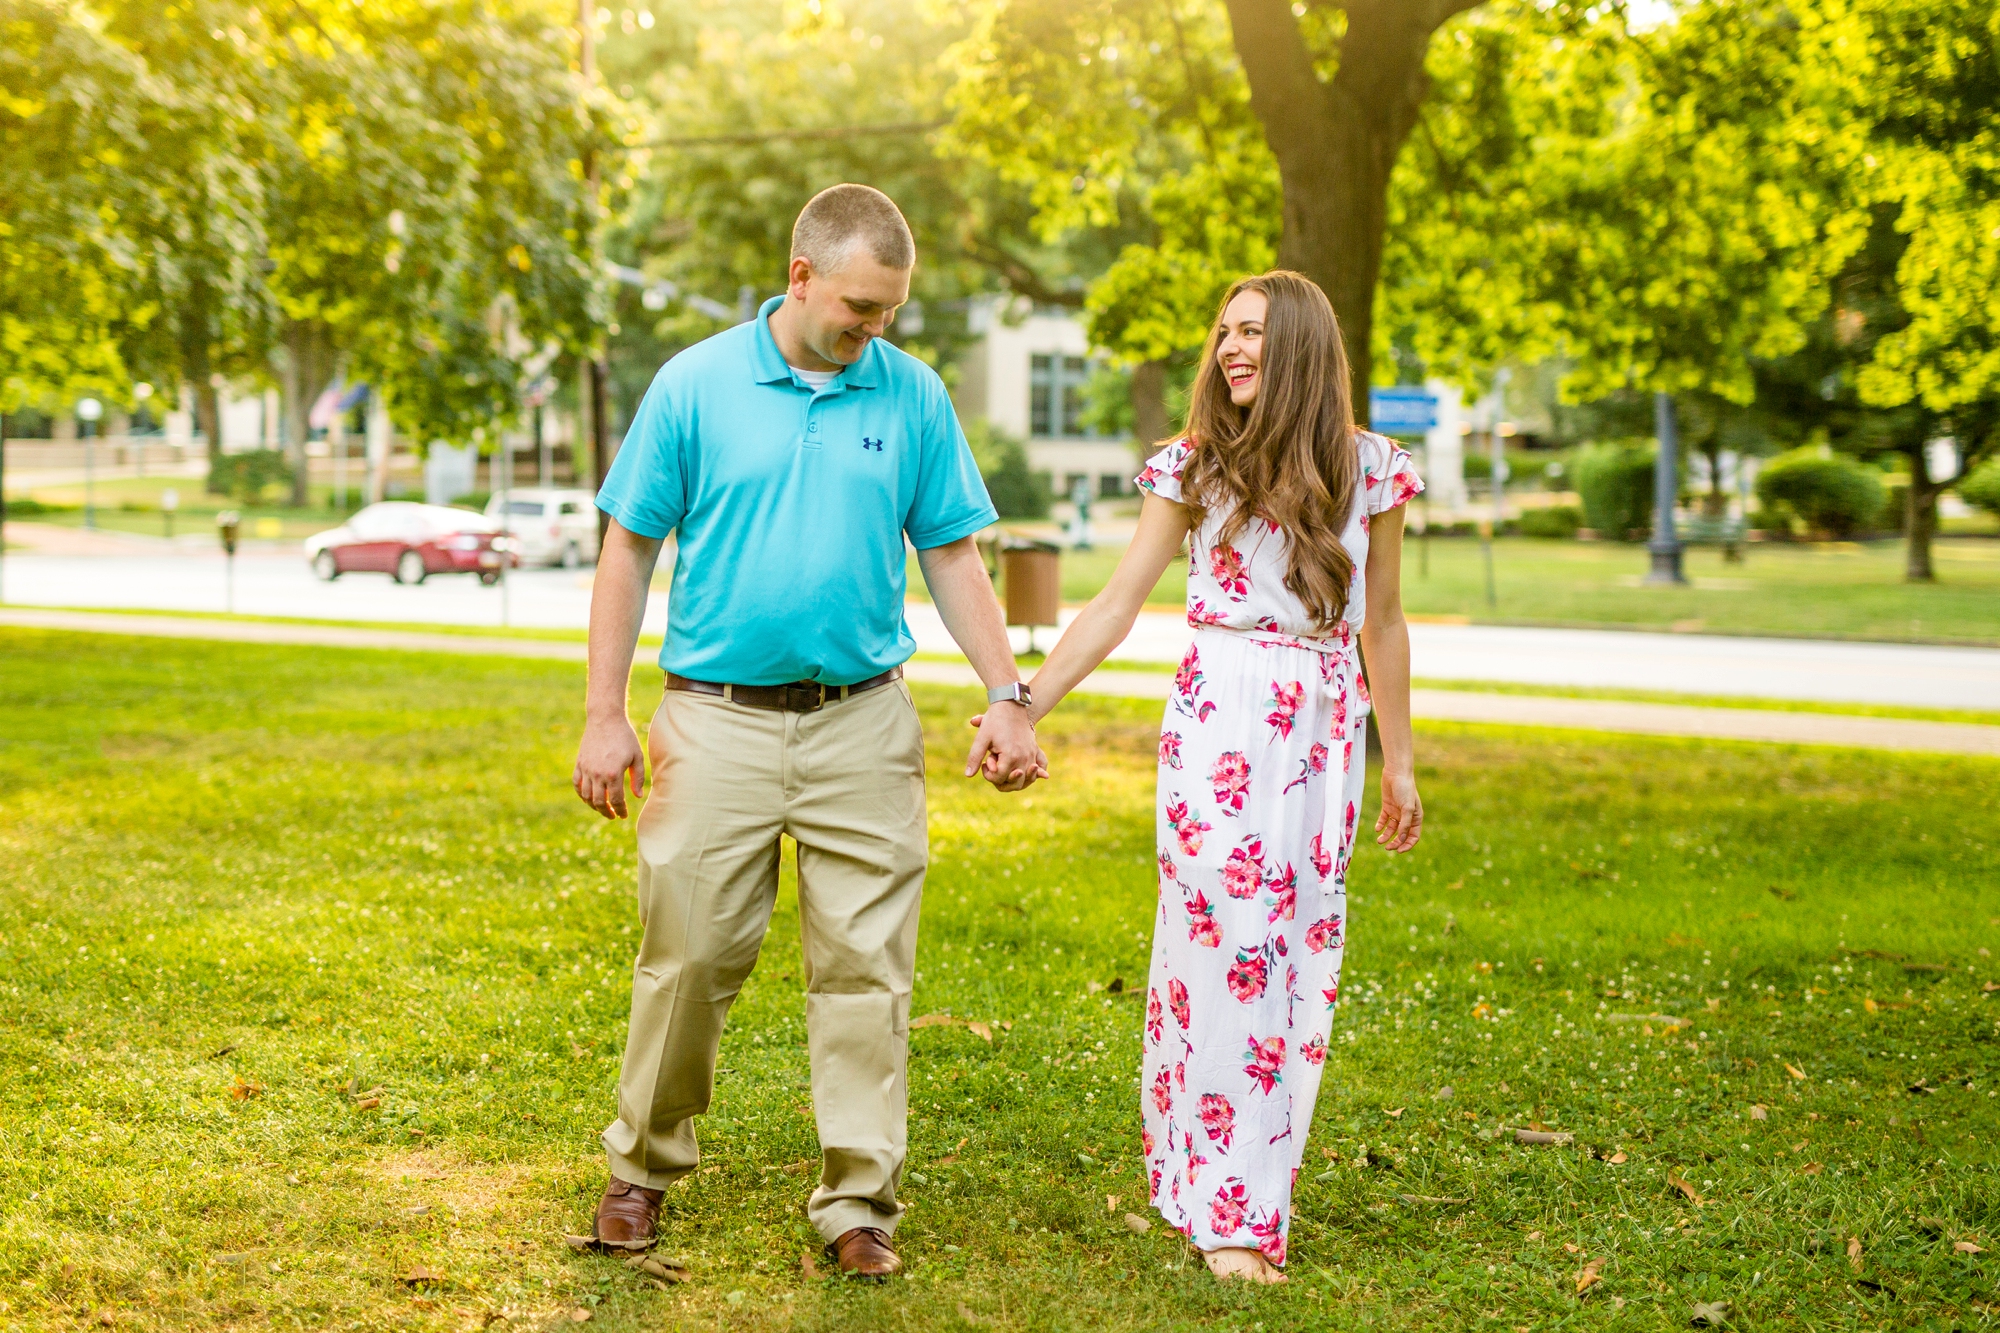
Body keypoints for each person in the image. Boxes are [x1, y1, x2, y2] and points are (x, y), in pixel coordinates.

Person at [572, 183, 1045, 1279]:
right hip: (714, 720)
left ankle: (856, 1203)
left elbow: (954, 554)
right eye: (858, 306)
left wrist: (1008, 692)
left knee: (865, 972)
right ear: (799, 278)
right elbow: (626, 550)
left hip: (861, 725)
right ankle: (639, 1170)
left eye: (888, 311)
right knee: (686, 957)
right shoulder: (693, 385)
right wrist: (604, 714)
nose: (872, 328)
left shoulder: (911, 394)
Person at [999, 270, 1424, 1283]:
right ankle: (1227, 1213)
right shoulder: (1192, 469)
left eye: (1255, 335)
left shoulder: (1373, 470)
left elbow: (1385, 618)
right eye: (1224, 332)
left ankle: (1220, 1183)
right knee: (1225, 947)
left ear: (1306, 354)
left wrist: (1398, 761)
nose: (1230, 349)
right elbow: (1112, 603)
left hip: (1324, 732)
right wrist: (1023, 699)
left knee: (1294, 964)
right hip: (1222, 719)